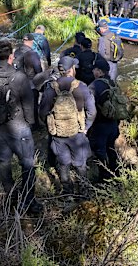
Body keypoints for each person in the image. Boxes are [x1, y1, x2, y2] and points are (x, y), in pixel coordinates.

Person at [0, 40, 42, 214]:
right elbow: (29, 104)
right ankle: (29, 202)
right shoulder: (19, 77)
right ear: (11, 56)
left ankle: (11, 195)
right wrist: (30, 123)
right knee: (27, 163)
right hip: (19, 127)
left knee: (4, 161)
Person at [39, 56, 96, 196]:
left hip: (58, 134)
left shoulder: (51, 88)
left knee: (63, 162)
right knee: (80, 163)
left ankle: (67, 192)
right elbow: (92, 111)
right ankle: (84, 192)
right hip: (77, 132)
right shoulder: (81, 87)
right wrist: (86, 126)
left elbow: (42, 112)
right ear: (72, 70)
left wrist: (51, 126)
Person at [88, 58, 120, 182]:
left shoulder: (94, 85)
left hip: (100, 125)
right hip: (113, 123)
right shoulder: (113, 83)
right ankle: (116, 171)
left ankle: (104, 178)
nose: (93, 71)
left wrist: (87, 126)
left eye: (94, 69)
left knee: (100, 150)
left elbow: (90, 108)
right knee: (111, 148)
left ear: (99, 71)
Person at [13, 33, 43, 129]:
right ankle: (35, 125)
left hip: (16, 83)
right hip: (30, 84)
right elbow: (38, 70)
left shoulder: (16, 52)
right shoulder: (32, 54)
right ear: (31, 41)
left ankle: (22, 123)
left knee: (21, 104)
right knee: (33, 105)